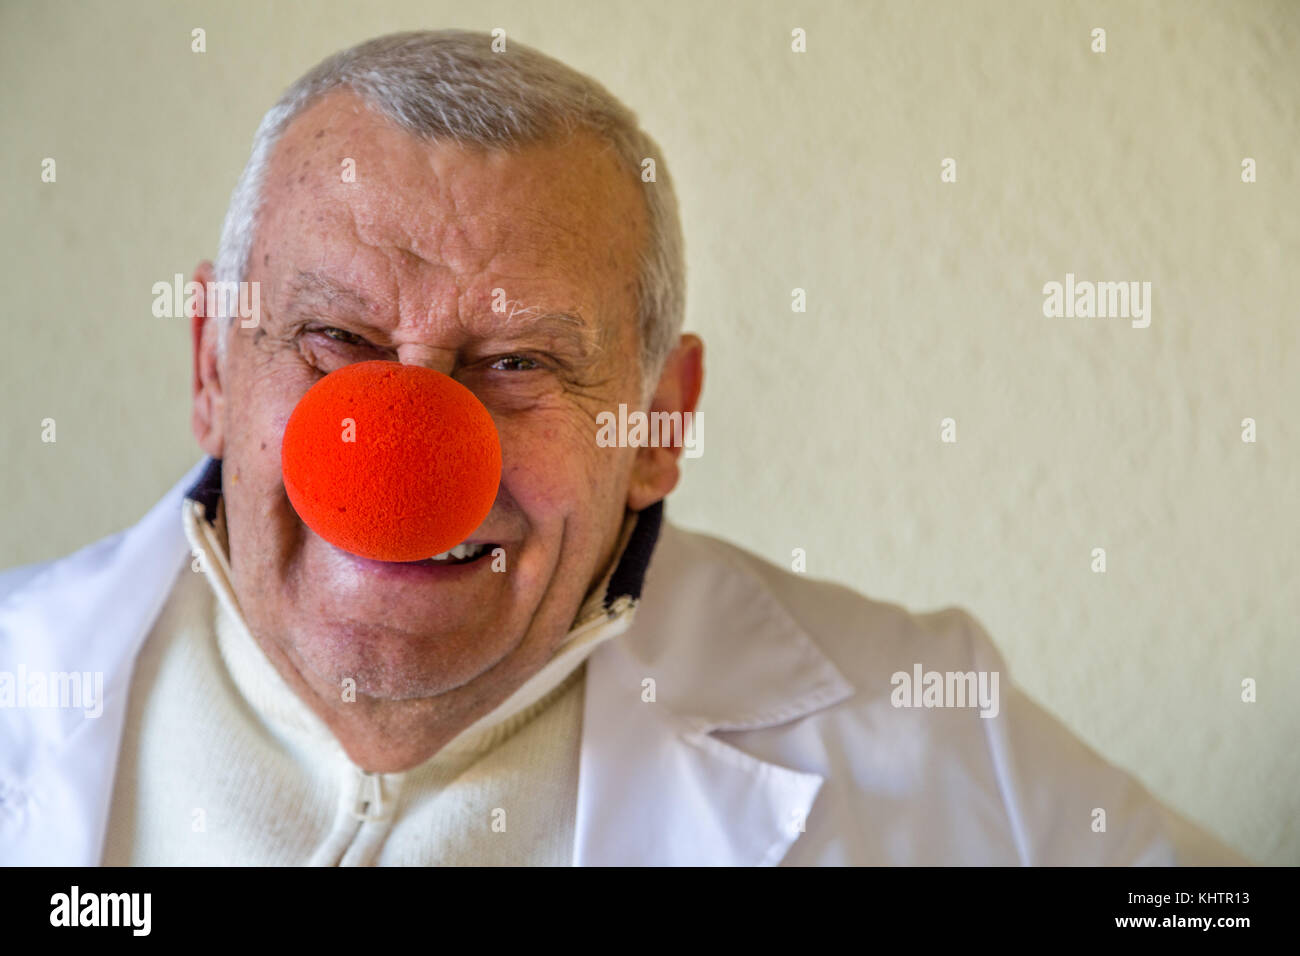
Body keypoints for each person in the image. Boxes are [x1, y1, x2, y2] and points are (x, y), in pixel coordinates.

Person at [0, 29, 1247, 866]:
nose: (405, 453)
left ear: (661, 421)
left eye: (519, 363)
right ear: (212, 360)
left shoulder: (931, 733)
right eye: (334, 338)